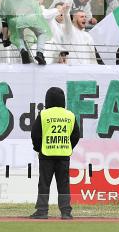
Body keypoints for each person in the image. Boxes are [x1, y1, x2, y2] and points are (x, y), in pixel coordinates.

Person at [30, 86, 81, 219]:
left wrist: (38, 148)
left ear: (47, 100)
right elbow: (76, 135)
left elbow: (35, 134)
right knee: (63, 184)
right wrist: (68, 146)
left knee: (44, 184)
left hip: (46, 154)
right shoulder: (70, 115)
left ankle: (42, 211)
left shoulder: (44, 115)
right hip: (63, 155)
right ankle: (66, 212)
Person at [0, 0, 52, 65]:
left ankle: (23, 51)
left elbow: (4, 23)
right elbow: (35, 6)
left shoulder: (3, 3)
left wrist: (5, 38)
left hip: (15, 21)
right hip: (30, 18)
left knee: (18, 37)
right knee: (41, 33)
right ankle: (40, 53)